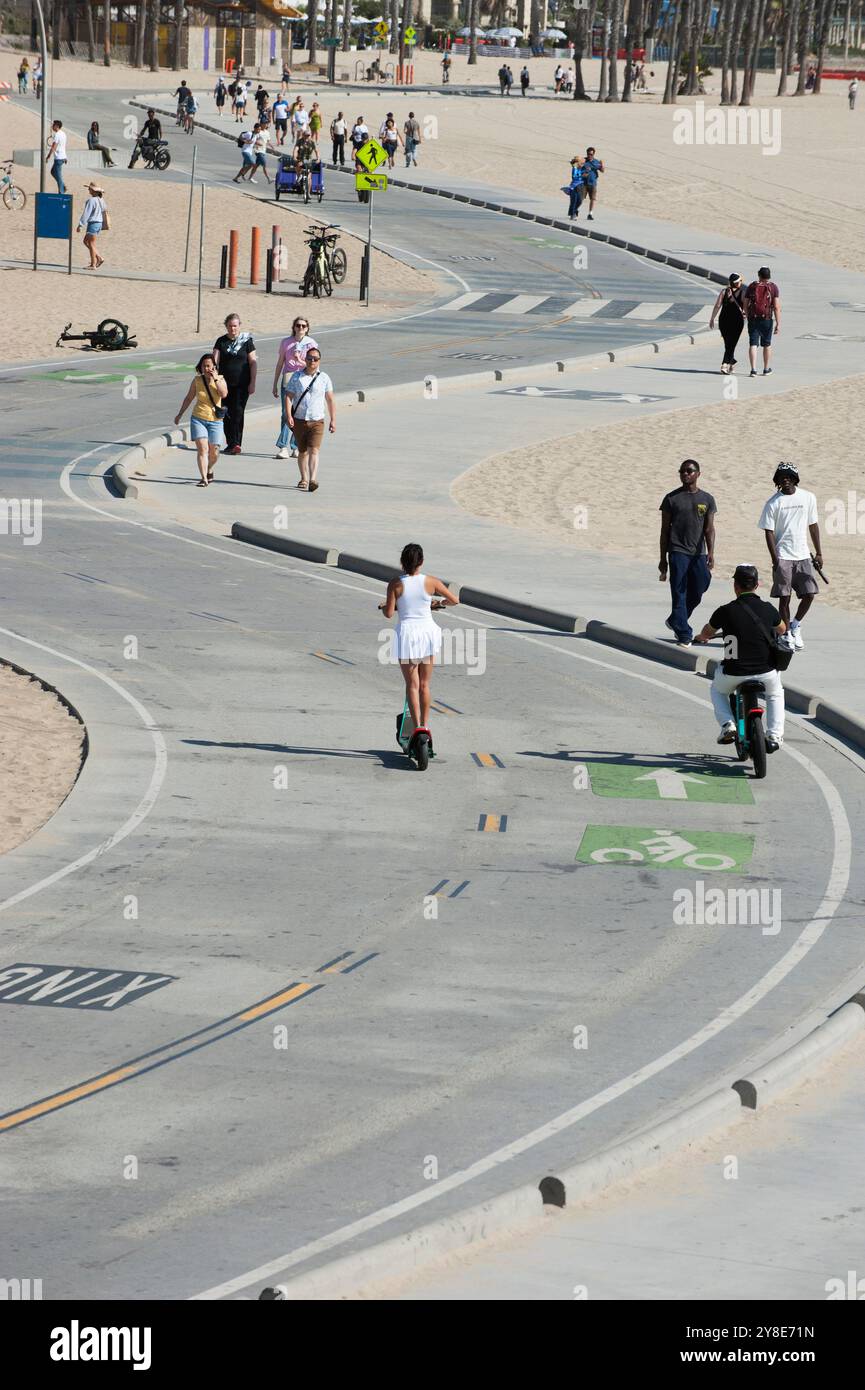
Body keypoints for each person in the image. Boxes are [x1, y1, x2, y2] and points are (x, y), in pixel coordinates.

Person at [693, 566, 786, 751]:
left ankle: (728, 724)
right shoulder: (768, 609)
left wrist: (702, 637)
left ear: (735, 586)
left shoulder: (725, 611)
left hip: (733, 673)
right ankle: (774, 735)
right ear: (757, 585)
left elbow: (707, 632)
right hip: (765, 672)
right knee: (775, 693)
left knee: (717, 691)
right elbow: (782, 629)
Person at [378, 543, 459, 753]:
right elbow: (454, 601)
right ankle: (425, 724)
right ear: (421, 562)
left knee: (412, 685)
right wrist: (436, 603)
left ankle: (416, 729)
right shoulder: (431, 582)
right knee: (425, 684)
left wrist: (388, 606)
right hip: (428, 634)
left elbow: (388, 613)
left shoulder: (395, 584)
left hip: (407, 635)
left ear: (402, 563)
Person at [758, 463, 822, 651]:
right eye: (781, 477)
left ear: (795, 478)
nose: (785, 479)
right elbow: (768, 532)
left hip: (803, 554)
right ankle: (785, 634)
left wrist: (819, 552)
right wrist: (775, 558)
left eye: (788, 476)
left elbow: (813, 525)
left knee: (809, 594)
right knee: (784, 598)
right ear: (777, 481)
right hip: (783, 555)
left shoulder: (808, 497)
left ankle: (795, 625)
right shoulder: (773, 503)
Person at [658, 459, 716, 647]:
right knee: (679, 592)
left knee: (701, 585)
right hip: (677, 551)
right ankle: (684, 632)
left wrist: (711, 552)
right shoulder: (671, 499)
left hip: (699, 553)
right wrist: (663, 559)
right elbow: (664, 531)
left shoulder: (707, 499)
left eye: (689, 471)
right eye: (682, 471)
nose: (685, 474)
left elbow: (709, 529)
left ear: (698, 473)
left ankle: (676, 619)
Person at [282, 346, 335, 492]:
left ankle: (312, 479)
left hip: (317, 420)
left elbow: (330, 400)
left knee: (314, 450)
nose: (312, 361)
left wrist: (333, 420)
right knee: (302, 451)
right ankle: (303, 478)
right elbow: (288, 396)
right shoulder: (297, 377)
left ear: (319, 361)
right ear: (305, 359)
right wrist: (288, 415)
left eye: (315, 359)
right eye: (310, 358)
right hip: (299, 419)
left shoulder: (324, 378)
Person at [174, 355, 228, 487]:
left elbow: (224, 394)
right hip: (198, 418)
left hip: (216, 420)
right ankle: (203, 478)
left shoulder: (220, 379)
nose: (207, 368)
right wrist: (180, 414)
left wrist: (215, 379)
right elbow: (188, 398)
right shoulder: (197, 380)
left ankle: (209, 469)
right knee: (203, 449)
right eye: (204, 366)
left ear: (214, 366)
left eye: (209, 365)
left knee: (214, 452)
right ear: (201, 367)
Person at [273, 317, 318, 459]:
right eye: (298, 325)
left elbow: (314, 365)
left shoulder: (311, 344)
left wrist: (300, 360)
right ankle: (283, 446)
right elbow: (280, 363)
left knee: (299, 414)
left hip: (304, 379)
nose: (300, 328)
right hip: (288, 377)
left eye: (303, 326)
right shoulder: (286, 342)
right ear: (294, 327)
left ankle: (296, 445)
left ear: (307, 328)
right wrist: (274, 383)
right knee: (286, 414)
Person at [212, 314, 257, 456]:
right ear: (226, 326)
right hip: (224, 385)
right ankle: (230, 442)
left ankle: (236, 443)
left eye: (235, 325)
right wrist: (213, 381)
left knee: (238, 412)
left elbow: (253, 363)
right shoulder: (221, 341)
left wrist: (253, 383)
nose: (233, 328)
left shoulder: (247, 341)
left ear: (239, 326)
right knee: (225, 413)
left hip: (242, 385)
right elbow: (214, 363)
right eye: (230, 325)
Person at [744, 266, 781, 377]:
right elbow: (776, 307)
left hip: (753, 319)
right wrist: (778, 323)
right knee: (766, 344)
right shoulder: (773, 287)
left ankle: (753, 370)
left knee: (753, 344)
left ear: (759, 275)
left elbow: (745, 304)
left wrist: (748, 315)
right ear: (769, 276)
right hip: (767, 319)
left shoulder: (752, 286)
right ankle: (765, 369)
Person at [709, 272, 746, 374]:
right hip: (737, 322)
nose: (741, 282)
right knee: (731, 344)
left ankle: (731, 363)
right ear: (737, 283)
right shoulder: (742, 293)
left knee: (729, 343)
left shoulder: (724, 292)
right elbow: (746, 307)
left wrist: (712, 318)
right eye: (740, 281)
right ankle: (725, 364)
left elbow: (717, 305)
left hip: (723, 321)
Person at [77, 182, 108, 270]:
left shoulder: (91, 200)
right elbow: (105, 209)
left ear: (93, 191)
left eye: (89, 189)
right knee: (86, 241)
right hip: (99, 223)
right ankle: (99, 258)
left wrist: (80, 224)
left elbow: (86, 213)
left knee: (90, 243)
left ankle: (93, 264)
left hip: (93, 223)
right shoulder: (101, 200)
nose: (88, 190)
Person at [582, 147, 604, 220]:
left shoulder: (596, 162)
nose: (589, 155)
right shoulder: (583, 161)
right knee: (580, 198)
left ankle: (590, 214)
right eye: (588, 154)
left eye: (591, 154)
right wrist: (583, 174)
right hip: (584, 183)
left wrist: (602, 165)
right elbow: (576, 168)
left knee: (592, 199)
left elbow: (602, 170)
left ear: (593, 154)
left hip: (593, 183)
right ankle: (576, 211)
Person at [46, 121, 67, 195]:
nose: (52, 126)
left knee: (58, 175)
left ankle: (61, 191)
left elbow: (54, 146)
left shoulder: (57, 135)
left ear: (57, 126)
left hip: (59, 158)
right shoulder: (63, 134)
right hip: (62, 157)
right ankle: (62, 185)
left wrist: (48, 156)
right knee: (53, 172)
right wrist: (65, 157)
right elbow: (63, 146)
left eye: (53, 125)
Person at [564, 155, 584, 220]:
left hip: (581, 185)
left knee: (580, 201)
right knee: (574, 201)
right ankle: (572, 214)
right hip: (574, 186)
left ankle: (573, 211)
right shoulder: (574, 168)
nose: (582, 164)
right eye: (581, 162)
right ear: (578, 163)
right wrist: (582, 175)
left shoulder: (581, 168)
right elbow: (574, 177)